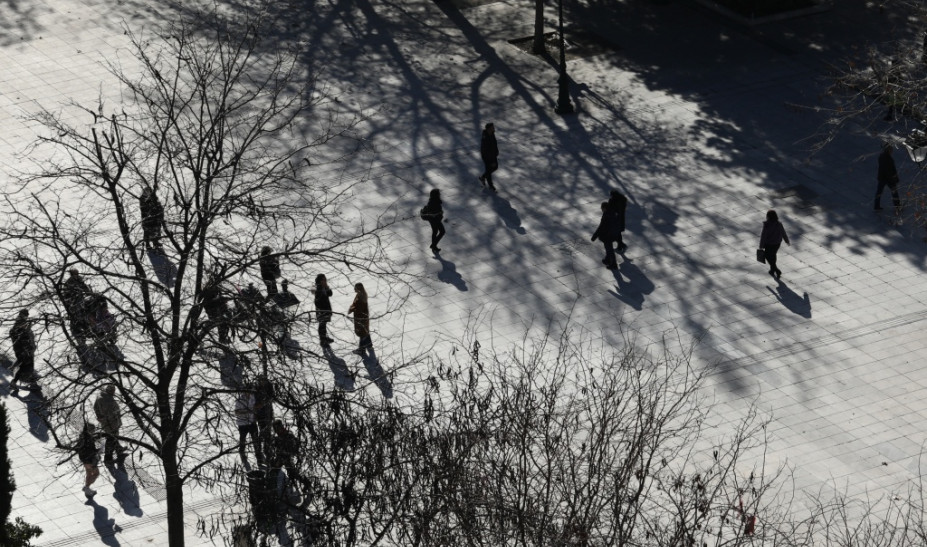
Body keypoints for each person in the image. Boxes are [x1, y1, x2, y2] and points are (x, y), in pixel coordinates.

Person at [93, 384, 127, 463]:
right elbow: (111, 414)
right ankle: (108, 458)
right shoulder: (108, 400)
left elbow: (95, 407)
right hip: (111, 423)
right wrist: (113, 420)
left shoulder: (100, 396)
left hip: (107, 422)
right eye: (113, 391)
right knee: (111, 439)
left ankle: (119, 450)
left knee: (113, 437)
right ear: (109, 390)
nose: (114, 393)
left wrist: (99, 416)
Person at [9, 309, 36, 392]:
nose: (26, 317)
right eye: (25, 315)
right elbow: (24, 336)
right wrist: (28, 348)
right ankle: (15, 382)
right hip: (23, 350)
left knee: (28, 364)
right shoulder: (19, 325)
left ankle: (31, 380)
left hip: (23, 349)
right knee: (26, 365)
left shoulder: (19, 323)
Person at [235, 388, 263, 467]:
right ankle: (242, 455)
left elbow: (255, 407)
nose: (249, 393)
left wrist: (256, 411)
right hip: (242, 424)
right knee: (243, 440)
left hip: (252, 423)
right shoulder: (239, 400)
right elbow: (237, 412)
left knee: (256, 441)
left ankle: (259, 459)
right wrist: (247, 411)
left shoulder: (253, 397)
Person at [759, 209, 790, 280]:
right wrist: (787, 241)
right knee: (773, 255)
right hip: (777, 243)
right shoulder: (779, 224)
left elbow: (763, 236)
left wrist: (761, 246)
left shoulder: (766, 225)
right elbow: (783, 232)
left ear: (768, 216)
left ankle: (776, 270)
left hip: (769, 244)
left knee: (767, 256)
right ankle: (772, 270)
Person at [271, 420, 300, 488]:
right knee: (273, 471)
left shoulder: (289, 435)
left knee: (293, 473)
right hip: (280, 457)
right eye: (276, 429)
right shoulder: (277, 436)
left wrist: (287, 453)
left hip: (287, 457)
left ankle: (306, 483)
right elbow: (274, 446)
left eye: (278, 428)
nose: (277, 431)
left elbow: (294, 448)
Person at [591, 202, 619, 270]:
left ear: (604, 208)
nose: (601, 210)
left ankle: (613, 264)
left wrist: (594, 236)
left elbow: (601, 227)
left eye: (602, 208)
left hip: (607, 235)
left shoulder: (607, 215)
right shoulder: (611, 212)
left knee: (609, 249)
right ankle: (607, 259)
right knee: (608, 248)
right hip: (612, 234)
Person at [76, 422, 100, 498]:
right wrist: (97, 451)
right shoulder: (88, 438)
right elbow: (90, 450)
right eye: (93, 430)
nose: (94, 431)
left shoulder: (82, 436)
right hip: (90, 460)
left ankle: (88, 489)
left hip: (84, 460)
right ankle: (87, 487)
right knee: (96, 473)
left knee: (89, 474)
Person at [875, 144, 902, 211]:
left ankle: (876, 206)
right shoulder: (888, 159)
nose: (892, 151)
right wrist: (894, 178)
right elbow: (891, 170)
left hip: (882, 177)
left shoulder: (881, 157)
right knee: (894, 192)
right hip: (889, 178)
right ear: (888, 150)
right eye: (891, 149)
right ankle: (897, 207)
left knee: (879, 192)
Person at [347, 283, 372, 355]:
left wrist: (351, 309)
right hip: (364, 317)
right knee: (365, 331)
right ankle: (369, 345)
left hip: (360, 318)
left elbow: (358, 308)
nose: (354, 289)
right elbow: (355, 304)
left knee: (362, 333)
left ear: (358, 289)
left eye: (355, 288)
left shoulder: (360, 297)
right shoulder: (361, 295)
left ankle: (361, 349)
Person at [313, 274, 334, 347]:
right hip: (321, 311)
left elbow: (330, 294)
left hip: (326, 310)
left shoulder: (323, 287)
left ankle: (325, 338)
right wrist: (322, 310)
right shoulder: (318, 289)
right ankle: (322, 341)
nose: (325, 281)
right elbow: (316, 302)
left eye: (325, 279)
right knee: (322, 325)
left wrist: (327, 287)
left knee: (324, 325)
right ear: (320, 280)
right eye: (324, 280)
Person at [478, 123, 499, 191]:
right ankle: (491, 186)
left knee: (495, 167)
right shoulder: (485, 137)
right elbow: (486, 150)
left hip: (493, 154)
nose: (493, 128)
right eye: (492, 127)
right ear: (488, 129)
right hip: (486, 156)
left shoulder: (492, 133)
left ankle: (483, 177)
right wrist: (491, 160)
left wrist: (496, 151)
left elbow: (495, 143)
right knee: (489, 169)